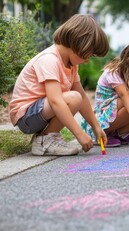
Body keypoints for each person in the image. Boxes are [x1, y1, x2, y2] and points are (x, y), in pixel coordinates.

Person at [9, 14, 110, 156]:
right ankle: (44, 140)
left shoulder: (71, 65)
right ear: (78, 43)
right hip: (26, 118)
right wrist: (79, 134)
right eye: (88, 54)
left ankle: (47, 137)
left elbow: (82, 97)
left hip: (40, 113)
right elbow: (55, 101)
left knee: (77, 97)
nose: (87, 60)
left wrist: (96, 126)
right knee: (73, 98)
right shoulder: (49, 60)